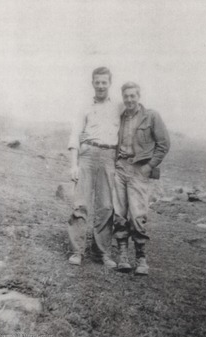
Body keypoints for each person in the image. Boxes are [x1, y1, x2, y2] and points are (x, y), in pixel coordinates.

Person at [67, 67, 122, 268]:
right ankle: (77, 251)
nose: (100, 86)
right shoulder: (85, 107)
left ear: (109, 83)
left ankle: (102, 253)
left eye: (104, 82)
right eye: (97, 82)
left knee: (106, 206)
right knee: (80, 204)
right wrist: (74, 164)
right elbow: (75, 136)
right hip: (88, 155)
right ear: (93, 83)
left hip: (109, 157)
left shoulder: (119, 107)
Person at [113, 82, 170, 275]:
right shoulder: (120, 117)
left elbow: (163, 144)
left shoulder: (151, 116)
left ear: (139, 96)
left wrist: (149, 166)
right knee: (120, 213)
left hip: (139, 170)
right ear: (123, 97)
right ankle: (122, 256)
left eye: (132, 96)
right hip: (120, 167)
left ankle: (141, 258)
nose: (129, 99)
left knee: (137, 215)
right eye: (126, 96)